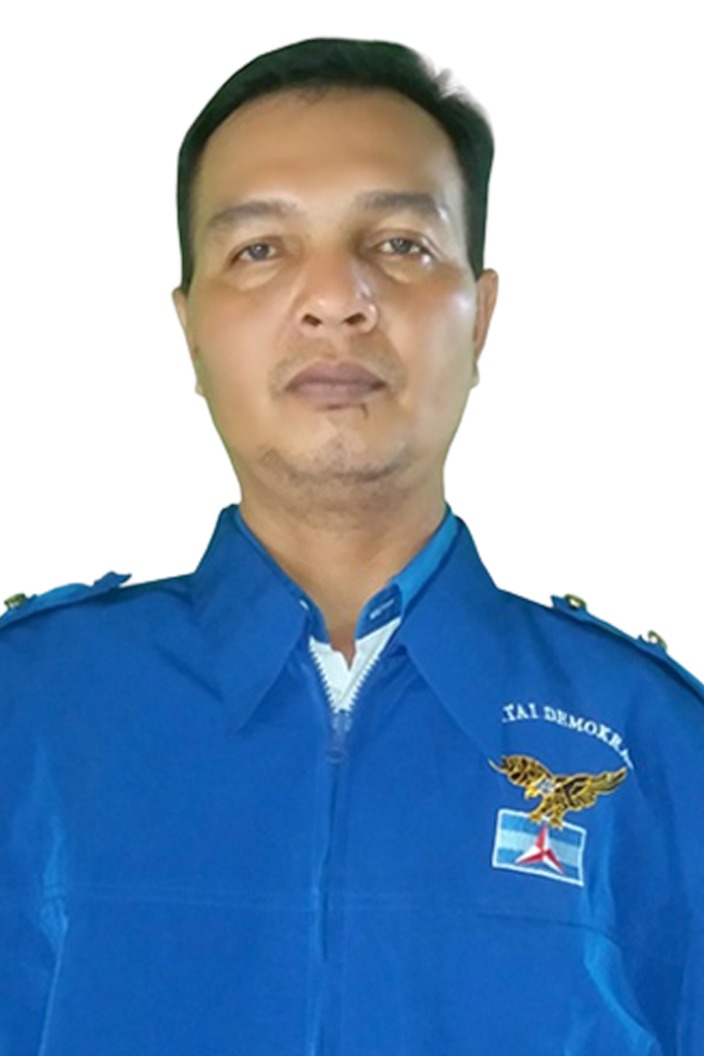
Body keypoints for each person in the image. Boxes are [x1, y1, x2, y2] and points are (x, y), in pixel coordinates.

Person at [1, 36, 702, 1056]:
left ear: (480, 317)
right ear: (190, 329)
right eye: (259, 250)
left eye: (400, 245)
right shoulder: (27, 710)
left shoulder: (658, 745)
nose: (335, 299)